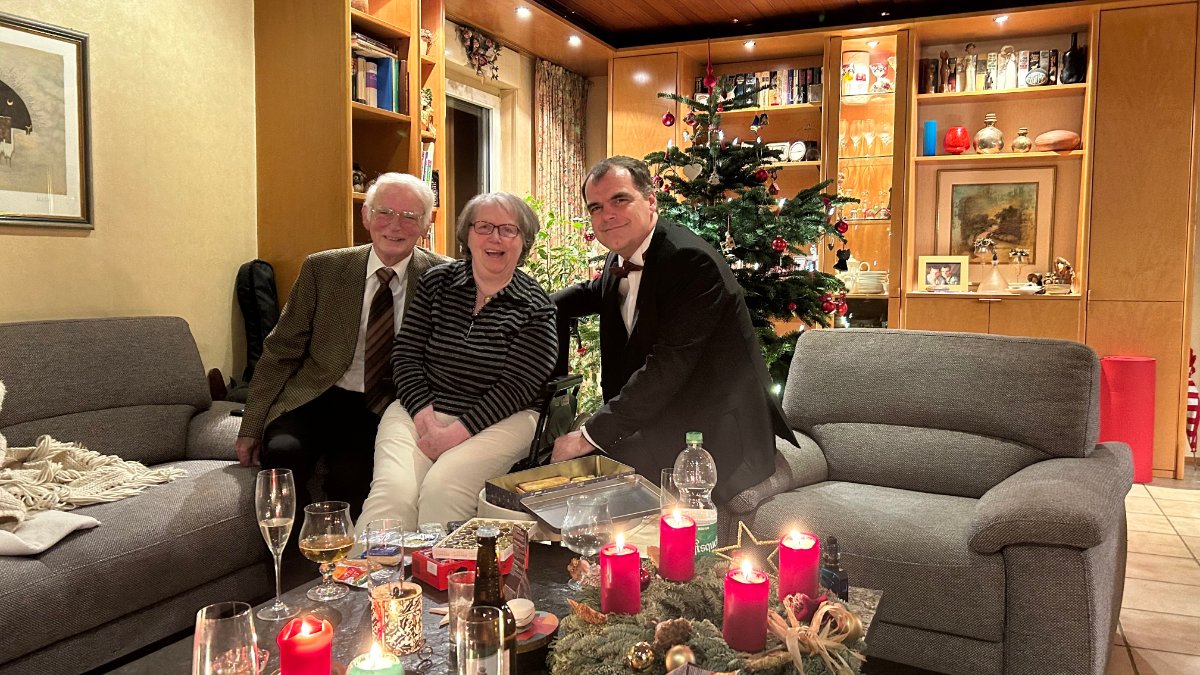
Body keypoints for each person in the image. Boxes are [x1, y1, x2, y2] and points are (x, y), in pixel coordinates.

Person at [550, 156, 797, 505]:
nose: (607, 215)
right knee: (571, 485)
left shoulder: (690, 261)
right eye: (596, 207)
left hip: (712, 433)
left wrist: (589, 435)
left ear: (651, 200)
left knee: (590, 492)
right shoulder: (622, 255)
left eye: (620, 200)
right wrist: (536, 303)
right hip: (663, 419)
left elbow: (668, 367)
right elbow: (596, 291)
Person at [236, 173, 449, 517]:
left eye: (410, 216)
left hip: (386, 403)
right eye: (384, 212)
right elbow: (280, 351)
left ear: (426, 224)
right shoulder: (323, 269)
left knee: (352, 477)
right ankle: (293, 546)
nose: (395, 225)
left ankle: (341, 549)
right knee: (282, 454)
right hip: (319, 393)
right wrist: (251, 425)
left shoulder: (445, 278)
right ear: (366, 216)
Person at [356, 192, 558, 531]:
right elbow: (406, 355)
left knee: (443, 489)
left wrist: (451, 436)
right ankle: (377, 566)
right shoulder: (437, 283)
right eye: (484, 227)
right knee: (393, 496)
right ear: (467, 234)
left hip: (502, 419)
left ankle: (445, 566)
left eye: (508, 229)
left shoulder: (536, 306)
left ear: (523, 241)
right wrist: (425, 421)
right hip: (420, 409)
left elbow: (517, 388)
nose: (495, 238)